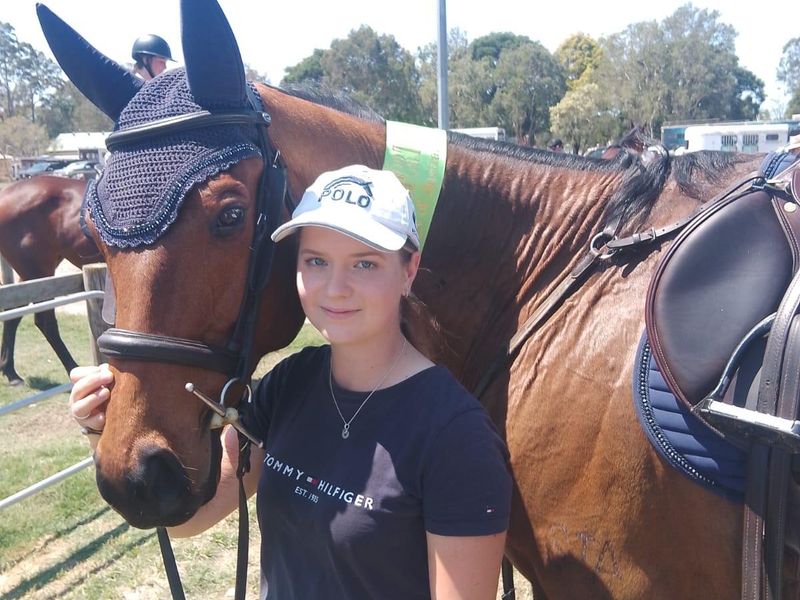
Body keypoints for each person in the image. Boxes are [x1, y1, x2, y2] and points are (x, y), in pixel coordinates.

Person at [69, 164, 513, 599]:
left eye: (364, 264)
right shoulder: (288, 386)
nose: (335, 288)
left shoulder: (456, 438)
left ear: (409, 270)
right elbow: (191, 518)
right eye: (317, 260)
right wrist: (100, 428)